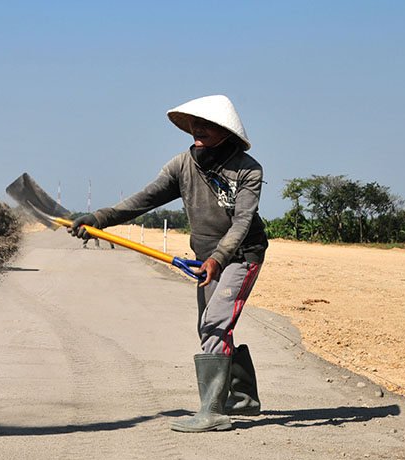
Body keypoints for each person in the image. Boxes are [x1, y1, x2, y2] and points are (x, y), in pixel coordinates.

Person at [69, 95, 268, 432]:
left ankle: (213, 412)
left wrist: (219, 258)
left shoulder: (248, 169)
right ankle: (245, 396)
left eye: (207, 124)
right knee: (208, 326)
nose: (198, 129)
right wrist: (99, 218)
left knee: (216, 324)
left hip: (240, 256)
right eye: (195, 124)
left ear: (226, 132)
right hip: (205, 259)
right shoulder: (182, 165)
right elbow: (141, 201)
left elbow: (243, 222)